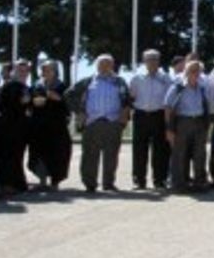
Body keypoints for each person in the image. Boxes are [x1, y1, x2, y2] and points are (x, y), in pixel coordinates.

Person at [71, 55, 132, 193]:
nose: (105, 67)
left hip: (113, 123)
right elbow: (69, 94)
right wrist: (79, 111)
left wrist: (124, 115)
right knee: (89, 156)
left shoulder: (120, 82)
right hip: (91, 123)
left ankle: (108, 183)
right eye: (102, 64)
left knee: (111, 155)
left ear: (112, 66)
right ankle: (90, 184)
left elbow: (128, 99)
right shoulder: (87, 81)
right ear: (97, 66)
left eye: (108, 64)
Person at [165, 59, 211, 192]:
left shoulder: (202, 88)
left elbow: (206, 106)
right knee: (179, 154)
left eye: (198, 71)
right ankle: (178, 184)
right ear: (186, 72)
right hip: (182, 122)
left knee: (200, 153)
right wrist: (169, 129)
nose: (195, 74)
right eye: (192, 71)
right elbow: (168, 107)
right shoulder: (177, 87)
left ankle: (199, 182)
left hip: (199, 122)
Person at [130, 49, 172, 190]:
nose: (152, 62)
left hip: (159, 115)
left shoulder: (166, 78)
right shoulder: (137, 78)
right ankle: (139, 180)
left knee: (160, 150)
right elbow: (132, 97)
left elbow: (170, 100)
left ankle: (159, 180)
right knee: (139, 149)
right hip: (141, 115)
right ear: (144, 61)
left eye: (155, 59)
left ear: (159, 61)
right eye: (149, 59)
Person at [28, 60, 72, 191]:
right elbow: (29, 102)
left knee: (57, 154)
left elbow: (69, 104)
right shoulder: (36, 85)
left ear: (55, 71)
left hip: (56, 127)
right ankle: (42, 181)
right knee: (39, 154)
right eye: (44, 69)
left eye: (49, 69)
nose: (46, 72)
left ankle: (55, 181)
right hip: (39, 126)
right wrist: (32, 102)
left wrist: (58, 98)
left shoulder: (62, 86)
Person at [0, 60, 32, 196]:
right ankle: (7, 185)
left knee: (17, 156)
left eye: (25, 70)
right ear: (13, 71)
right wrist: (22, 103)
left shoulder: (23, 86)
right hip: (8, 127)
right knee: (9, 156)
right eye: (20, 70)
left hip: (19, 128)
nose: (23, 73)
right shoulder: (11, 85)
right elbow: (5, 105)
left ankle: (16, 183)